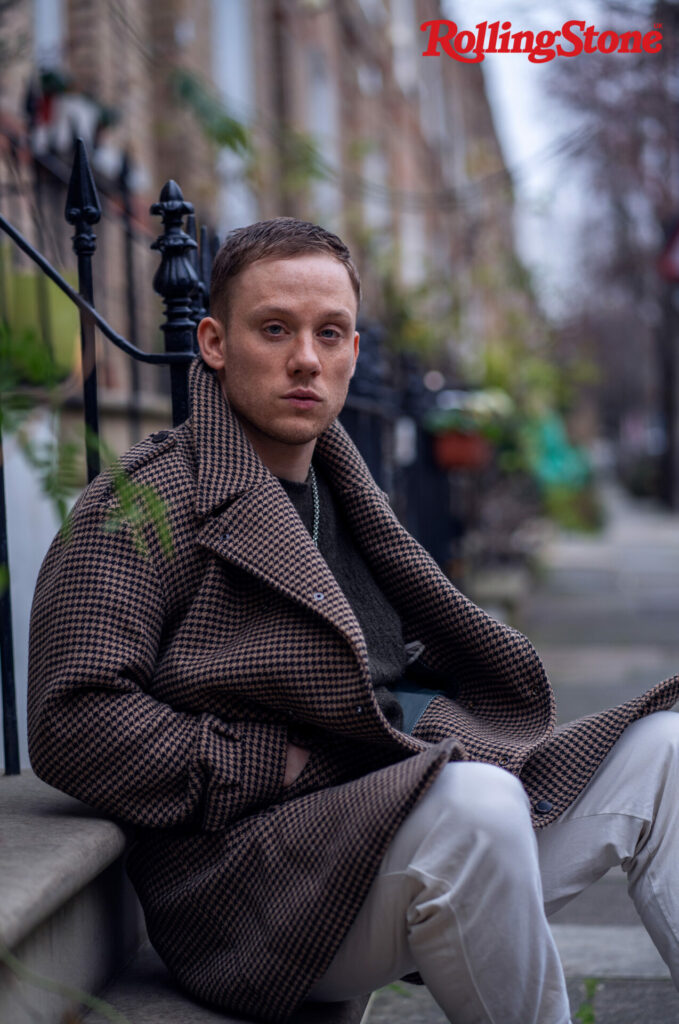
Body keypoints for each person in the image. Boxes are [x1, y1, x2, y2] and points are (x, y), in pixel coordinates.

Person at [28, 218, 679, 1024]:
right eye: (275, 329)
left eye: (328, 333)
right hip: (254, 893)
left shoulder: (347, 492)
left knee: (664, 750)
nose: (306, 358)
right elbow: (72, 719)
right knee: (477, 808)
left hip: (389, 819)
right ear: (214, 342)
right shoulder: (137, 506)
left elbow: (372, 664)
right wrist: (269, 761)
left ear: (353, 353)